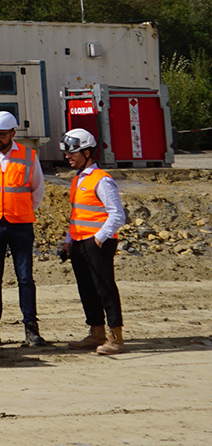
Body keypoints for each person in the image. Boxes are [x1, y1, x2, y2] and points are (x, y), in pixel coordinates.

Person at [0, 110, 48, 348]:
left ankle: (31, 330)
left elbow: (38, 189)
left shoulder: (28, 155)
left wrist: (18, 207)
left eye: (2, 134)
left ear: (13, 133)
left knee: (25, 278)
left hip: (20, 224)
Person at [58, 128, 127, 355]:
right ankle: (96, 333)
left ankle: (115, 337)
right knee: (86, 289)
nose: (68, 157)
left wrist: (99, 238)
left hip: (97, 243)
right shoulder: (78, 179)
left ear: (87, 152)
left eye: (72, 153)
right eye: (67, 153)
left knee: (105, 288)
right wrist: (69, 241)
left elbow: (117, 214)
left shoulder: (102, 180)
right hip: (79, 242)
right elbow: (77, 213)